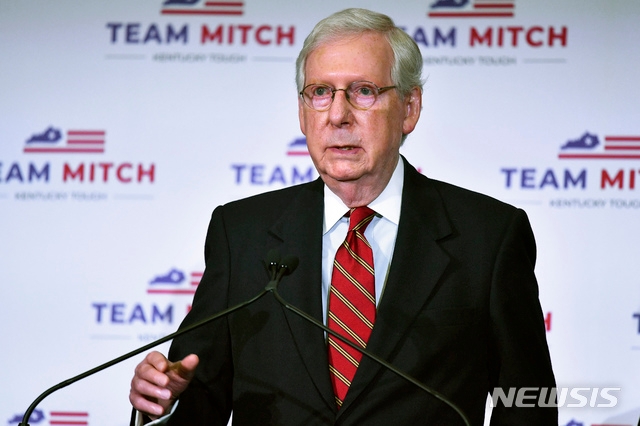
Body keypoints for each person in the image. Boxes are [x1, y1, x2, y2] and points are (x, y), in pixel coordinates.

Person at [129, 8, 557, 425]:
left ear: (409, 107)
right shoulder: (241, 233)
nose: (337, 116)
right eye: (320, 92)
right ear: (302, 111)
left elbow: (529, 401)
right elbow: (195, 393)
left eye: (363, 91)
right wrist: (161, 404)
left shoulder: (488, 237)